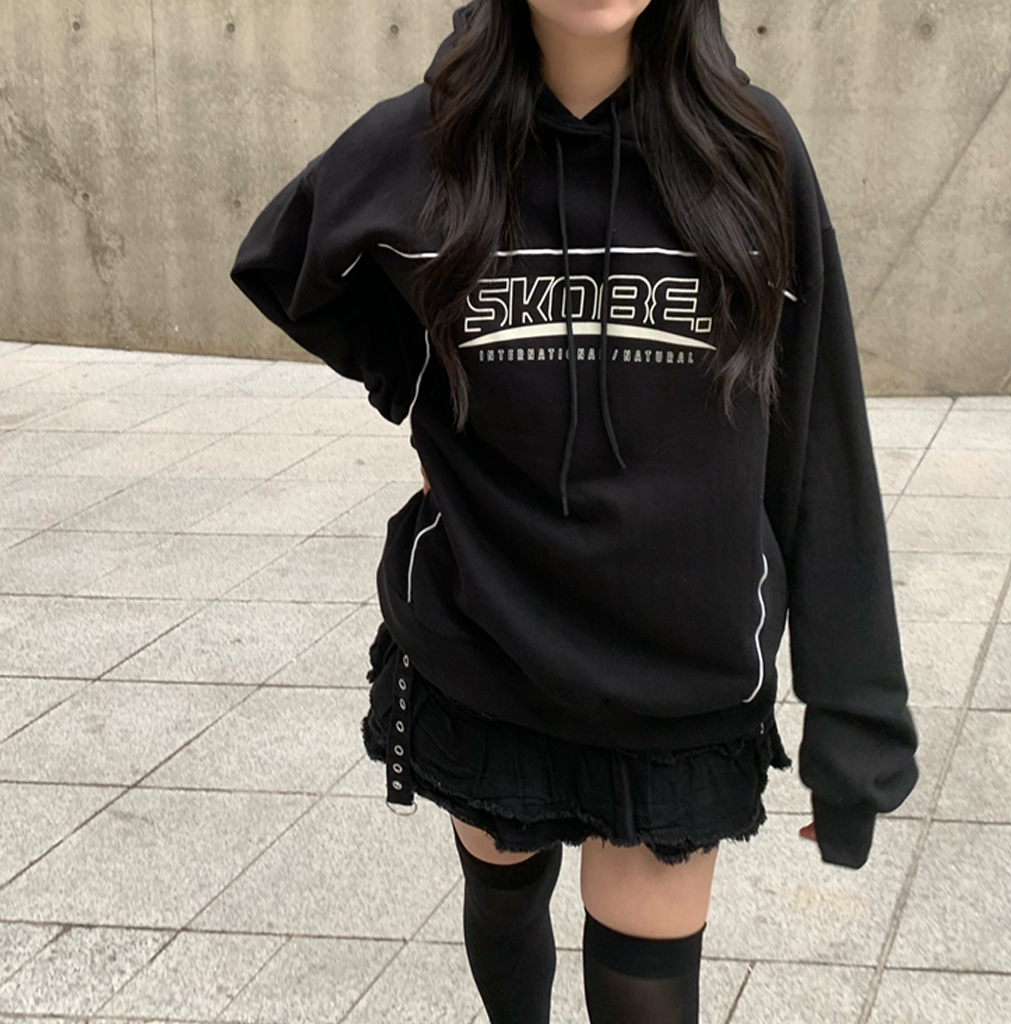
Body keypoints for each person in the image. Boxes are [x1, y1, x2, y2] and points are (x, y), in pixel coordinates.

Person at [230, 1, 920, 1020]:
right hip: (485, 643)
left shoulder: (754, 151)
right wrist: (418, 384)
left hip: (681, 676)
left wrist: (857, 720)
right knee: (504, 906)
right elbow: (284, 262)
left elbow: (817, 434)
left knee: (647, 987)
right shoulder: (429, 140)